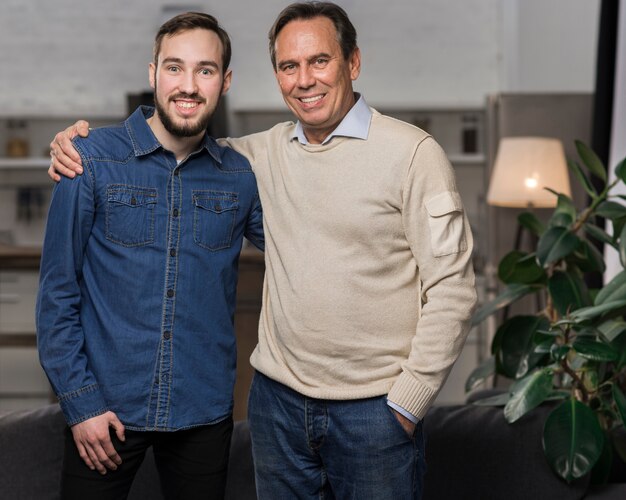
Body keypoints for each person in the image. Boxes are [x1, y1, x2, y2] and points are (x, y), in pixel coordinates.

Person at [49, 2, 477, 499]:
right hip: (277, 408)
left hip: (373, 410)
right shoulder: (252, 156)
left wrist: (408, 402)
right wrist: (71, 146)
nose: (304, 80)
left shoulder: (412, 154)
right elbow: (178, 148)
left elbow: (453, 289)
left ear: (353, 63)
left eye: (320, 61)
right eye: (288, 66)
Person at [37, 12, 263, 500]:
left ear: (224, 82)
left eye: (205, 70)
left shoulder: (240, 177)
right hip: (104, 412)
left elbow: (304, 249)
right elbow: (57, 294)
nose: (188, 85)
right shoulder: (90, 159)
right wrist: (81, 404)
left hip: (202, 412)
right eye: (174, 67)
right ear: (152, 73)